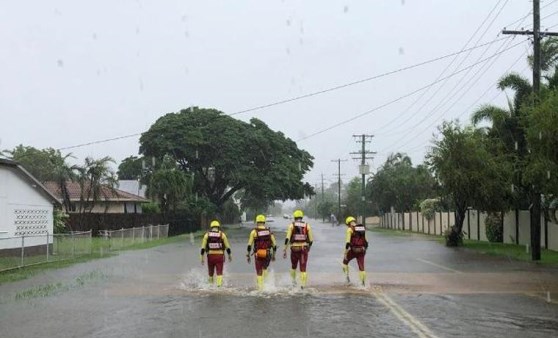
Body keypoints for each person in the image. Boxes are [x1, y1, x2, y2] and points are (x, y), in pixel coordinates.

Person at [283, 209, 313, 288]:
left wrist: (285, 249)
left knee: (293, 266)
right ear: (302, 217)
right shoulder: (307, 225)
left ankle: (293, 282)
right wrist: (308, 248)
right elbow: (311, 240)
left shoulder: (291, 225)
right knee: (303, 268)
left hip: (294, 248)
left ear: (294, 217)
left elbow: (287, 239)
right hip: (304, 249)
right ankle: (302, 286)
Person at [246, 214, 277, 290]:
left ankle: (260, 288)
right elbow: (275, 245)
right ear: (264, 222)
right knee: (265, 269)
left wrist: (248, 255)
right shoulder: (269, 232)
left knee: (259, 272)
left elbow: (249, 245)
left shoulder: (254, 232)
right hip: (267, 254)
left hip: (258, 254)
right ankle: (266, 286)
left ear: (257, 222)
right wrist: (273, 255)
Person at [200, 220, 232, 287]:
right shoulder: (222, 235)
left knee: (210, 273)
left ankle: (210, 286)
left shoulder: (207, 235)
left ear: (211, 227)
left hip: (210, 256)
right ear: (218, 227)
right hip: (219, 256)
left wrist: (202, 258)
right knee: (219, 272)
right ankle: (219, 286)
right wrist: (229, 255)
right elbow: (227, 247)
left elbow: (203, 248)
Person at [342, 216, 368, 286]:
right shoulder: (361, 228)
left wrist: (345, 252)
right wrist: (364, 249)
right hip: (362, 250)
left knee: (345, 262)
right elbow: (366, 242)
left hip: (353, 250)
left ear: (348, 223)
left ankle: (347, 278)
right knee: (361, 268)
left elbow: (347, 242)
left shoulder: (349, 229)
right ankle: (363, 283)